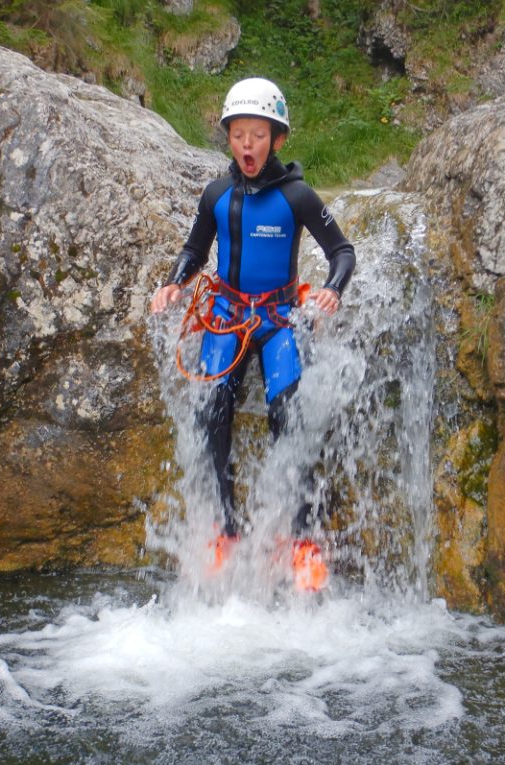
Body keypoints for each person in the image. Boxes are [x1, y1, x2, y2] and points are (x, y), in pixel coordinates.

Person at [151, 77, 355, 590]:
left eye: (258, 135)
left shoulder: (298, 196)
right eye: (238, 134)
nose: (247, 144)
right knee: (210, 413)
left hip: (281, 319)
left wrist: (332, 290)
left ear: (277, 139)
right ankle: (225, 531)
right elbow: (195, 250)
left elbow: (343, 252)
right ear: (228, 137)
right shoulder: (217, 194)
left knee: (292, 420)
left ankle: (303, 540)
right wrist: (175, 283)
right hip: (227, 314)